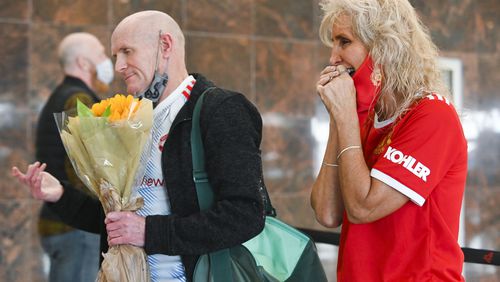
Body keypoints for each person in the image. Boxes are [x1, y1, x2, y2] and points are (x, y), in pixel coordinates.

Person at [13, 10, 265, 282]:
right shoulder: (134, 119)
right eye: (115, 56)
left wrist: (149, 232)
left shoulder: (220, 109)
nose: (119, 66)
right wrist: (60, 195)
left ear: (165, 46)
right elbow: (117, 225)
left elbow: (246, 214)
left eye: (127, 51)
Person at [310, 0, 467, 281]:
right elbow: (326, 212)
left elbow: (363, 207)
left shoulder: (433, 115)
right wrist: (339, 116)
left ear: (382, 47)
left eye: (344, 42)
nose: (333, 57)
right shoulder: (364, 116)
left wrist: (345, 114)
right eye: (333, 43)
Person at [34, 32, 114, 282]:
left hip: (59, 222)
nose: (107, 60)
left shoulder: (60, 95)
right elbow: (86, 166)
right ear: (83, 63)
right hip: (75, 227)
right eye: (101, 54)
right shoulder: (78, 99)